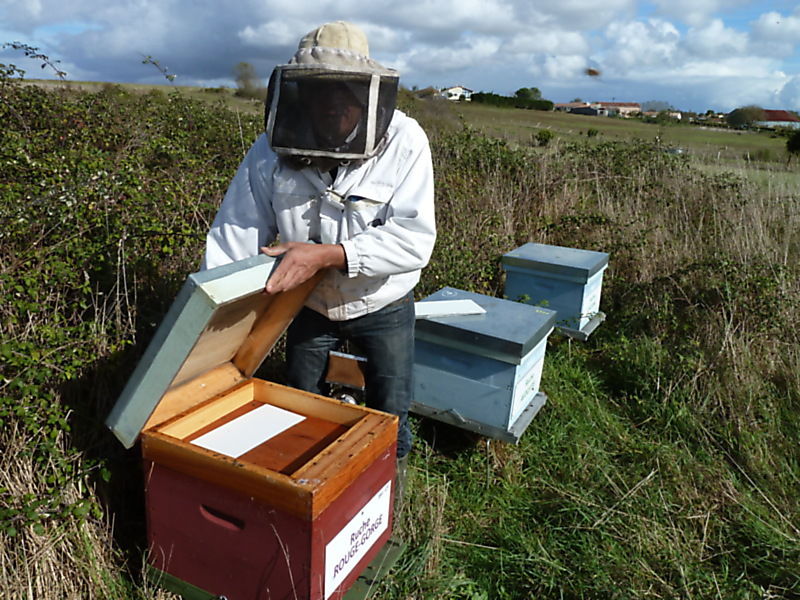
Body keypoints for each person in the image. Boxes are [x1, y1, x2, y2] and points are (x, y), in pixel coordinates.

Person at [202, 21, 436, 469]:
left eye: (343, 90)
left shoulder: (404, 142)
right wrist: (215, 327)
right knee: (301, 411)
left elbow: (414, 240)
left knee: (390, 413)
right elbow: (234, 234)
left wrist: (330, 255)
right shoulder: (268, 151)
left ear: (366, 93)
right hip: (307, 307)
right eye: (319, 90)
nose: (332, 103)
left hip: (381, 303)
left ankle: (386, 495)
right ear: (299, 93)